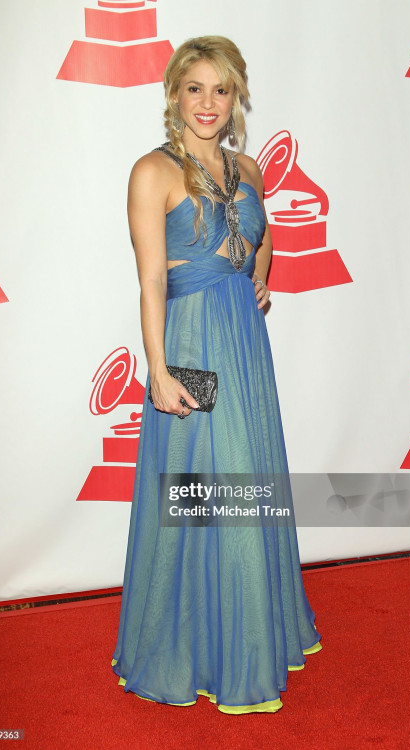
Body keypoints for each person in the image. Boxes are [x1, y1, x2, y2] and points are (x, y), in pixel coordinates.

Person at [111, 35, 322, 715]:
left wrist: (256, 276)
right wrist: (158, 368)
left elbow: (260, 239)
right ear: (174, 93)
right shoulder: (154, 172)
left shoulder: (250, 168)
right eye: (195, 88)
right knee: (201, 479)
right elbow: (149, 280)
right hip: (193, 345)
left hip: (244, 342)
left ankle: (249, 636)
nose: (209, 102)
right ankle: (192, 644)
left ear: (238, 99)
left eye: (221, 90)